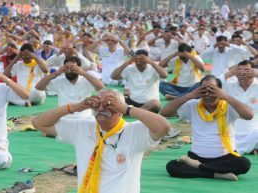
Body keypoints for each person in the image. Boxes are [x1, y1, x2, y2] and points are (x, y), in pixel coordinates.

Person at [32, 88, 170, 193]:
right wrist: (75, 107)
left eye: (109, 103)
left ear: (120, 108)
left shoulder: (133, 131)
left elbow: (164, 127)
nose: (102, 107)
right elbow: (39, 123)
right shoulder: (83, 126)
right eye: (99, 104)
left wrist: (127, 109)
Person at [160, 75, 253, 181]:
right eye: (203, 90)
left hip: (225, 157)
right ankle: (216, 174)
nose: (207, 94)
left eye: (212, 90)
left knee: (244, 164)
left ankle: (198, 167)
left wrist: (226, 96)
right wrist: (188, 96)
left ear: (220, 91)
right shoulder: (193, 105)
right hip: (197, 156)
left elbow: (249, 115)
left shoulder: (228, 106)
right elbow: (164, 112)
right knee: (172, 166)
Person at [35, 55, 104, 121]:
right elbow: (38, 87)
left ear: (79, 68)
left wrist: (83, 73)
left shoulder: (86, 80)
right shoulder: (59, 80)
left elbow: (101, 87)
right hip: (64, 118)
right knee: (40, 122)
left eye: (73, 67)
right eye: (67, 67)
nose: (69, 70)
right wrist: (56, 74)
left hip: (84, 118)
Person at [224, 60, 258, 154]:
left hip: (254, 132)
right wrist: (230, 73)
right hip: (232, 132)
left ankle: (237, 149)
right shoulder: (229, 85)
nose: (242, 73)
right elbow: (212, 83)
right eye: (239, 70)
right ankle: (248, 148)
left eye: (247, 70)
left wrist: (256, 73)